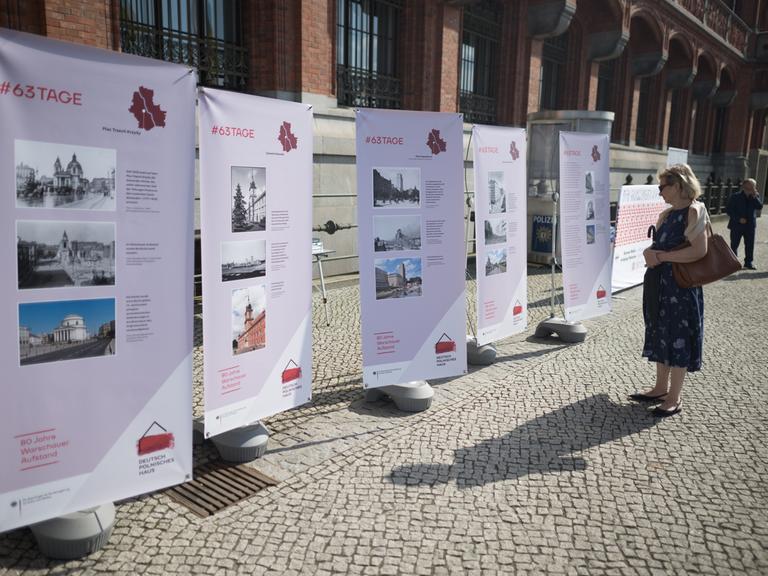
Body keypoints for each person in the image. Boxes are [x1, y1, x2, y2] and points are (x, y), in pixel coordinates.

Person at [630, 164, 708, 417]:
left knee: (679, 337)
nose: (660, 192)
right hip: (660, 285)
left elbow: (699, 251)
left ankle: (674, 397)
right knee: (660, 333)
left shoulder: (694, 211)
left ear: (677, 185)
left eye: (662, 187)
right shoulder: (667, 214)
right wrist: (651, 254)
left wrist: (660, 256)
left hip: (681, 288)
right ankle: (660, 388)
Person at [726, 178, 762, 270]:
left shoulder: (755, 196)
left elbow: (759, 206)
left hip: (750, 226)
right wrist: (738, 219)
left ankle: (748, 262)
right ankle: (734, 263)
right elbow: (729, 210)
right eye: (752, 186)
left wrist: (754, 197)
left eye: (754, 186)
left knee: (750, 244)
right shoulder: (735, 196)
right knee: (734, 244)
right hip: (736, 225)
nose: (754, 188)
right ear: (745, 186)